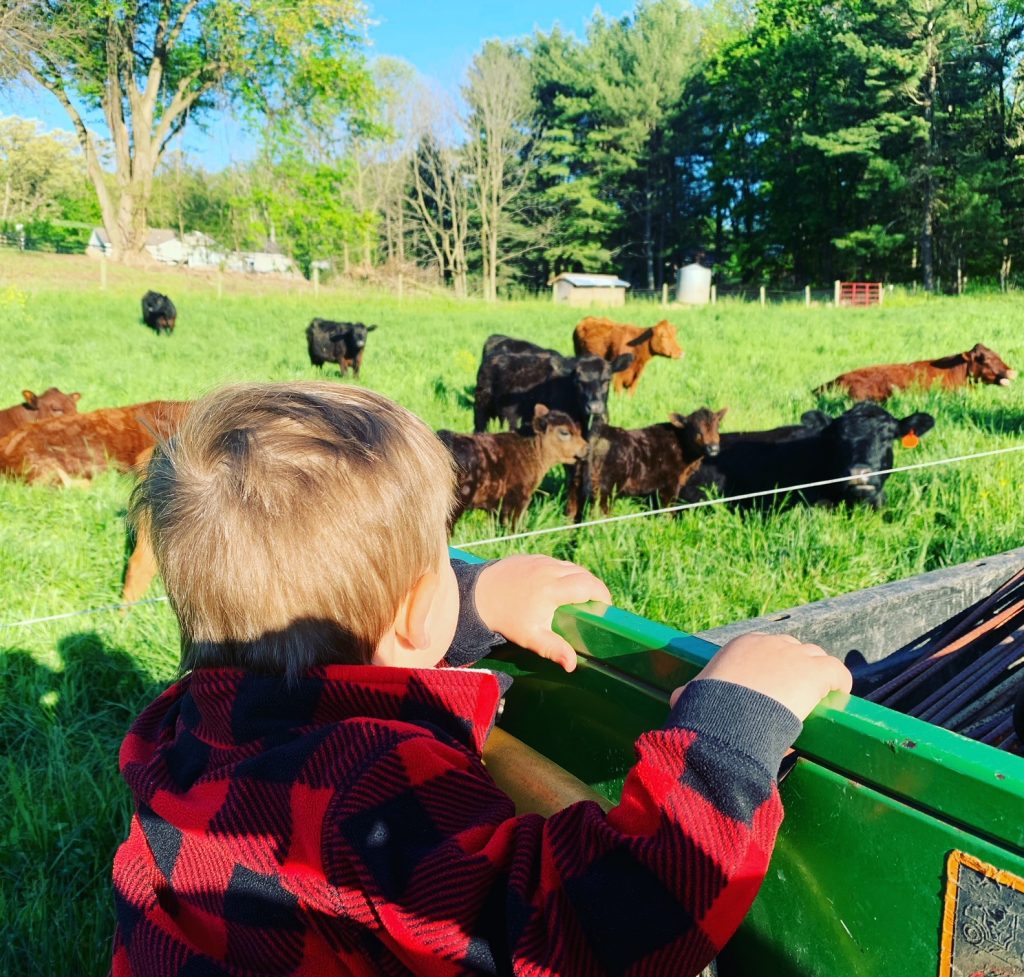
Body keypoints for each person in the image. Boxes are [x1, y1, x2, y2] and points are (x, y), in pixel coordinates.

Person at [110, 381, 852, 977]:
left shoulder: (184, 731)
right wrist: (729, 734)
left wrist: (474, 600)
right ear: (408, 613)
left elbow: (350, 643)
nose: (456, 570)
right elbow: (585, 941)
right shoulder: (370, 791)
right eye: (446, 558)